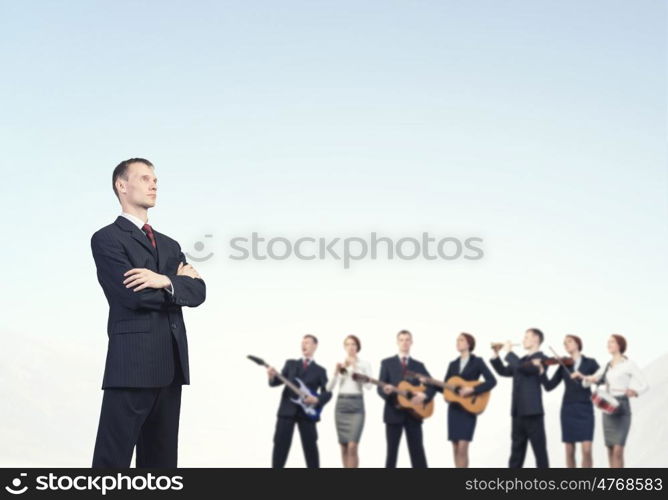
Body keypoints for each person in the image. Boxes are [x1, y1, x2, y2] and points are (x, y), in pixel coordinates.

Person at [91, 158, 206, 468]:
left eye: (155, 179)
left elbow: (199, 292)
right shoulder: (106, 239)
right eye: (144, 178)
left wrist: (163, 280)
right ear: (122, 186)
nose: (154, 184)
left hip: (171, 365)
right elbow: (132, 296)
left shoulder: (170, 245)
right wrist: (178, 285)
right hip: (132, 363)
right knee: (111, 462)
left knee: (162, 466)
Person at [582, 334, 649, 468]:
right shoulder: (606, 366)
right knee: (611, 449)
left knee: (618, 450)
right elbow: (585, 384)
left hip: (623, 407)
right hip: (608, 409)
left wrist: (635, 392)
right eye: (608, 342)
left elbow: (645, 384)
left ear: (620, 345)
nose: (608, 344)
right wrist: (589, 378)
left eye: (612, 342)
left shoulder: (629, 364)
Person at [268, 334, 332, 468]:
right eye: (302, 343)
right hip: (287, 411)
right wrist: (271, 376)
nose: (304, 345)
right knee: (280, 446)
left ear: (315, 346)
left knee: (311, 448)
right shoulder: (290, 364)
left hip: (307, 413)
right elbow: (275, 383)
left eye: (308, 342)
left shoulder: (320, 371)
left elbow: (328, 392)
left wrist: (317, 399)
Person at [490, 328, 549, 468]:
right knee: (516, 452)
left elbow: (527, 369)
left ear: (536, 339)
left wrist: (509, 352)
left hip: (533, 411)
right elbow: (504, 371)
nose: (523, 340)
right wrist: (495, 355)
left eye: (527, 337)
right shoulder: (521, 360)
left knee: (539, 452)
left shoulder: (543, 358)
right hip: (517, 412)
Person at [377, 329, 436, 468]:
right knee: (391, 453)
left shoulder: (419, 365)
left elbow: (432, 385)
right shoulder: (387, 363)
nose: (404, 342)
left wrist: (425, 395)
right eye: (402, 340)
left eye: (407, 340)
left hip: (415, 414)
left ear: (411, 343)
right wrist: (387, 392)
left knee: (418, 452)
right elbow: (380, 387)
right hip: (393, 413)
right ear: (397, 342)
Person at [543, 335, 599, 467]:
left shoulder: (590, 362)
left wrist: (583, 376)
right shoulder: (563, 365)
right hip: (568, 408)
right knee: (569, 451)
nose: (566, 344)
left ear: (578, 344)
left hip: (585, 408)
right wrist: (542, 370)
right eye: (564, 343)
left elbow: (601, 379)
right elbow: (549, 386)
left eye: (569, 341)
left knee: (586, 450)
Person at [443, 333, 497, 467]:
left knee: (462, 447)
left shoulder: (477, 361)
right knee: (455, 447)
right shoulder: (452, 364)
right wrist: (428, 382)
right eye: (457, 340)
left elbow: (492, 381)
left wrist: (473, 390)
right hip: (454, 409)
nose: (458, 342)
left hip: (469, 408)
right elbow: (445, 386)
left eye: (461, 340)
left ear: (469, 344)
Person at [326, 335, 373, 468]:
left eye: (353, 344)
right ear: (344, 347)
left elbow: (369, 387)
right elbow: (329, 388)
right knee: (344, 446)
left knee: (353, 446)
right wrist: (336, 372)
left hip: (357, 405)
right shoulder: (340, 363)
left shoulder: (364, 364)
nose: (350, 347)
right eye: (347, 344)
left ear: (358, 347)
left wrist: (356, 368)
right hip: (341, 405)